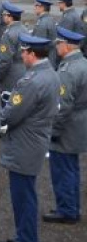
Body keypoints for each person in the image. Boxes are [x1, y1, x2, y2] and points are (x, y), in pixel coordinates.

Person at [0, 33, 62, 242]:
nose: (22, 56)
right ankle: (25, 236)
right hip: (37, 138)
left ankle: (26, 239)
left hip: (24, 143)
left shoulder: (31, 81)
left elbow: (11, 114)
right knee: (26, 192)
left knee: (23, 195)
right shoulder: (51, 73)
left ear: (32, 54)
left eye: (24, 53)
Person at [45, 27, 87, 224]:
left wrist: (54, 130)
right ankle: (72, 206)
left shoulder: (68, 70)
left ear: (67, 46)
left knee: (62, 169)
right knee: (72, 168)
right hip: (79, 121)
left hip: (67, 125)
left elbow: (62, 106)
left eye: (59, 43)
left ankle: (67, 210)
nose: (57, 47)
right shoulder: (83, 63)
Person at [0, 2, 27, 93]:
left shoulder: (8, 34)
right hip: (24, 70)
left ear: (10, 17)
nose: (3, 17)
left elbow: (4, 60)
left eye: (4, 15)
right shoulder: (24, 29)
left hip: (11, 74)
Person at [31, 0, 58, 67]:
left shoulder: (43, 22)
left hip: (45, 60)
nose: (35, 7)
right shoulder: (49, 19)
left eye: (36, 5)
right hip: (51, 58)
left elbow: (38, 45)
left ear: (42, 7)